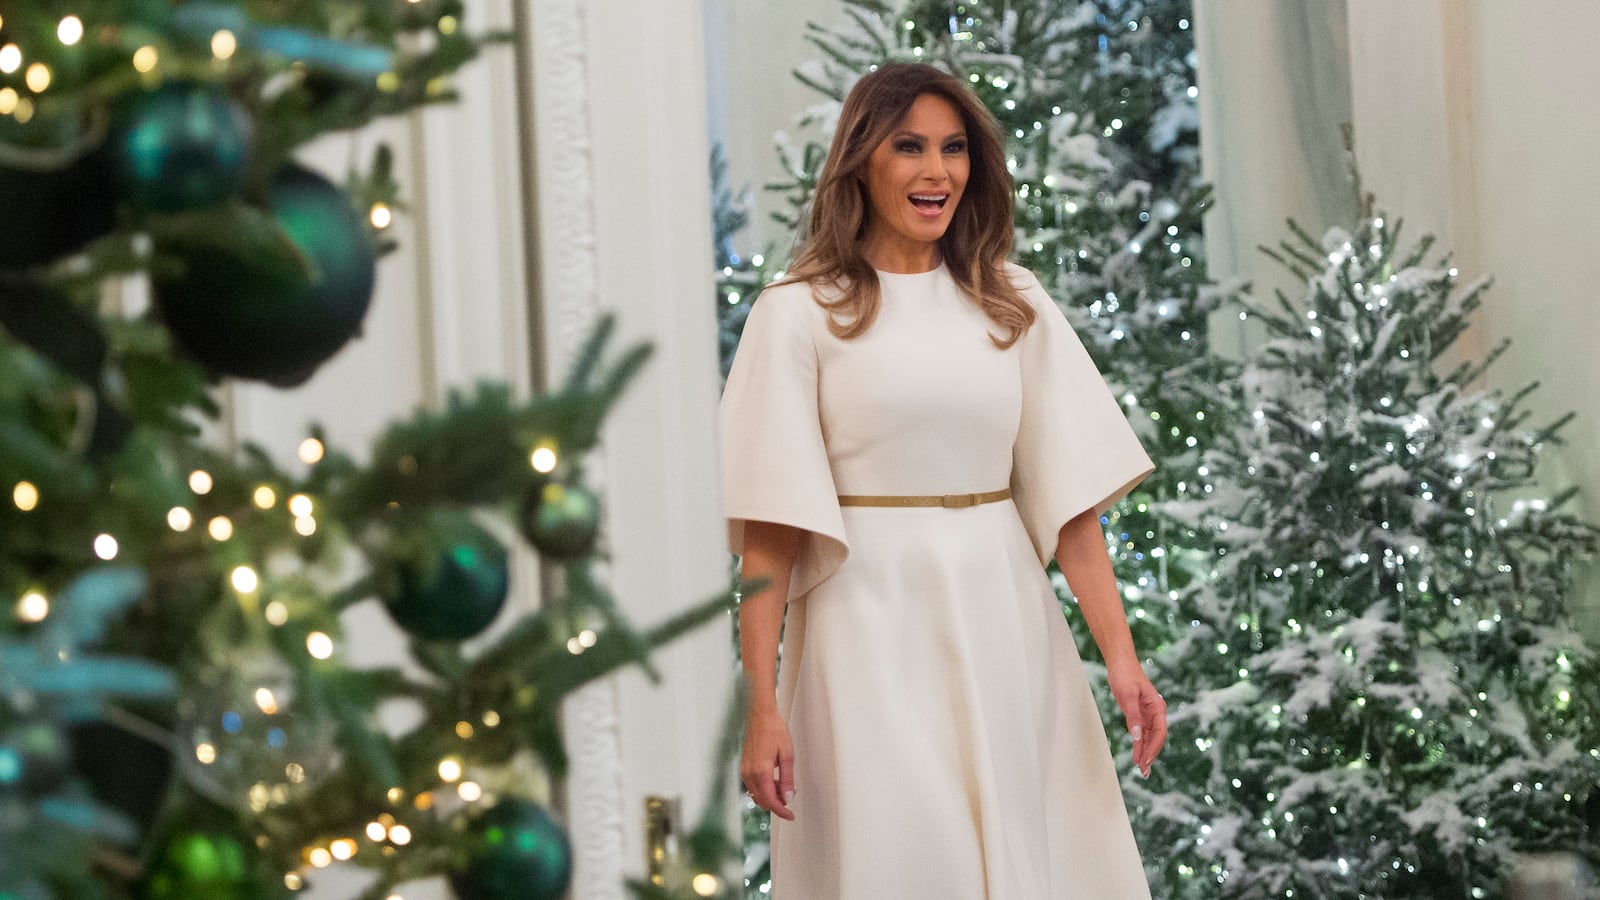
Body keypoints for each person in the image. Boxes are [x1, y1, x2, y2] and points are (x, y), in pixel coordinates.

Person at [720, 62, 1166, 899]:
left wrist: (1123, 661)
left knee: (1031, 856)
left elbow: (1069, 508)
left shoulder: (1011, 302)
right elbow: (770, 530)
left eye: (955, 149)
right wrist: (762, 705)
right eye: (910, 147)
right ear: (861, 161)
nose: (938, 172)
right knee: (901, 857)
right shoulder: (798, 312)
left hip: (1004, 616)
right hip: (863, 628)